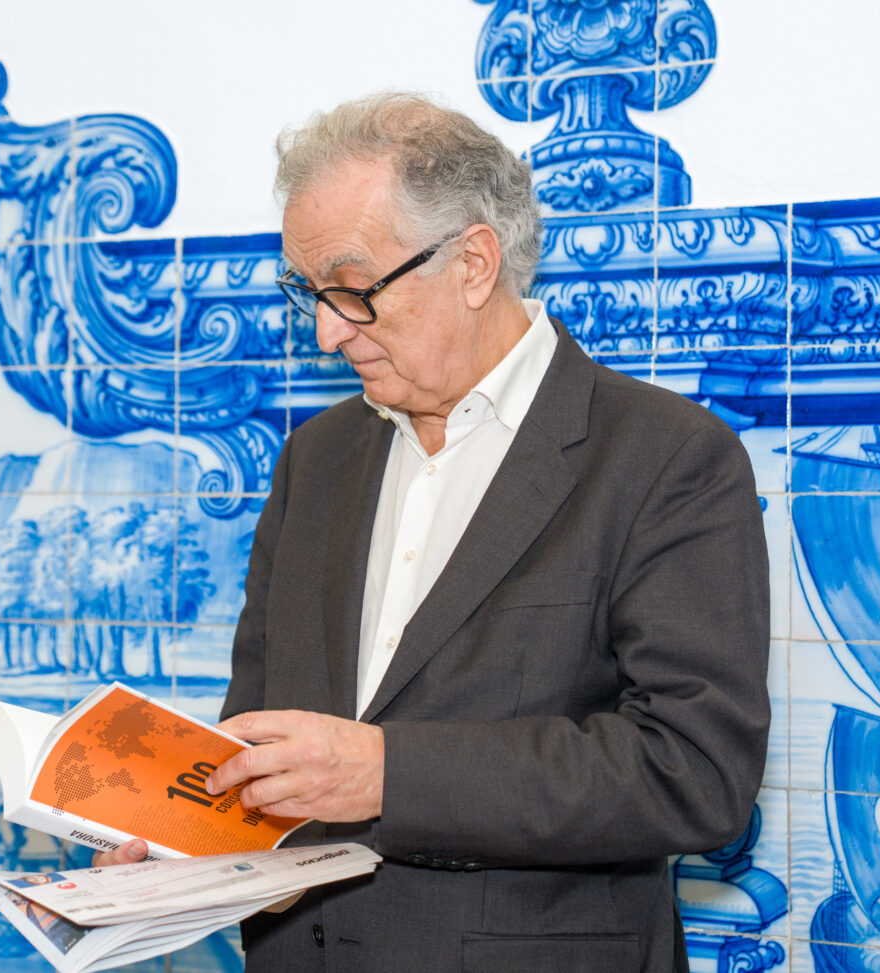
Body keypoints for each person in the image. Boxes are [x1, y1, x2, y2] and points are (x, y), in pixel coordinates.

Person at [100, 92, 770, 972]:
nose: (326, 331)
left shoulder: (665, 456)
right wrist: (188, 855)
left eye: (352, 290)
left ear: (474, 264)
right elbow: (261, 755)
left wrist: (387, 772)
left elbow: (695, 771)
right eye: (308, 292)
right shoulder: (314, 460)